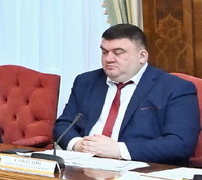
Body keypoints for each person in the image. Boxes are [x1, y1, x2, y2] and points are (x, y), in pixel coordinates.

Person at [53, 23, 200, 164]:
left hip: (141, 168)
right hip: (84, 163)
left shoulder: (175, 88)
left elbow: (180, 143)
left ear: (142, 56)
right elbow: (64, 124)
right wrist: (77, 144)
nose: (109, 59)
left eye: (118, 53)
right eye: (104, 52)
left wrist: (119, 150)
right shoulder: (85, 81)